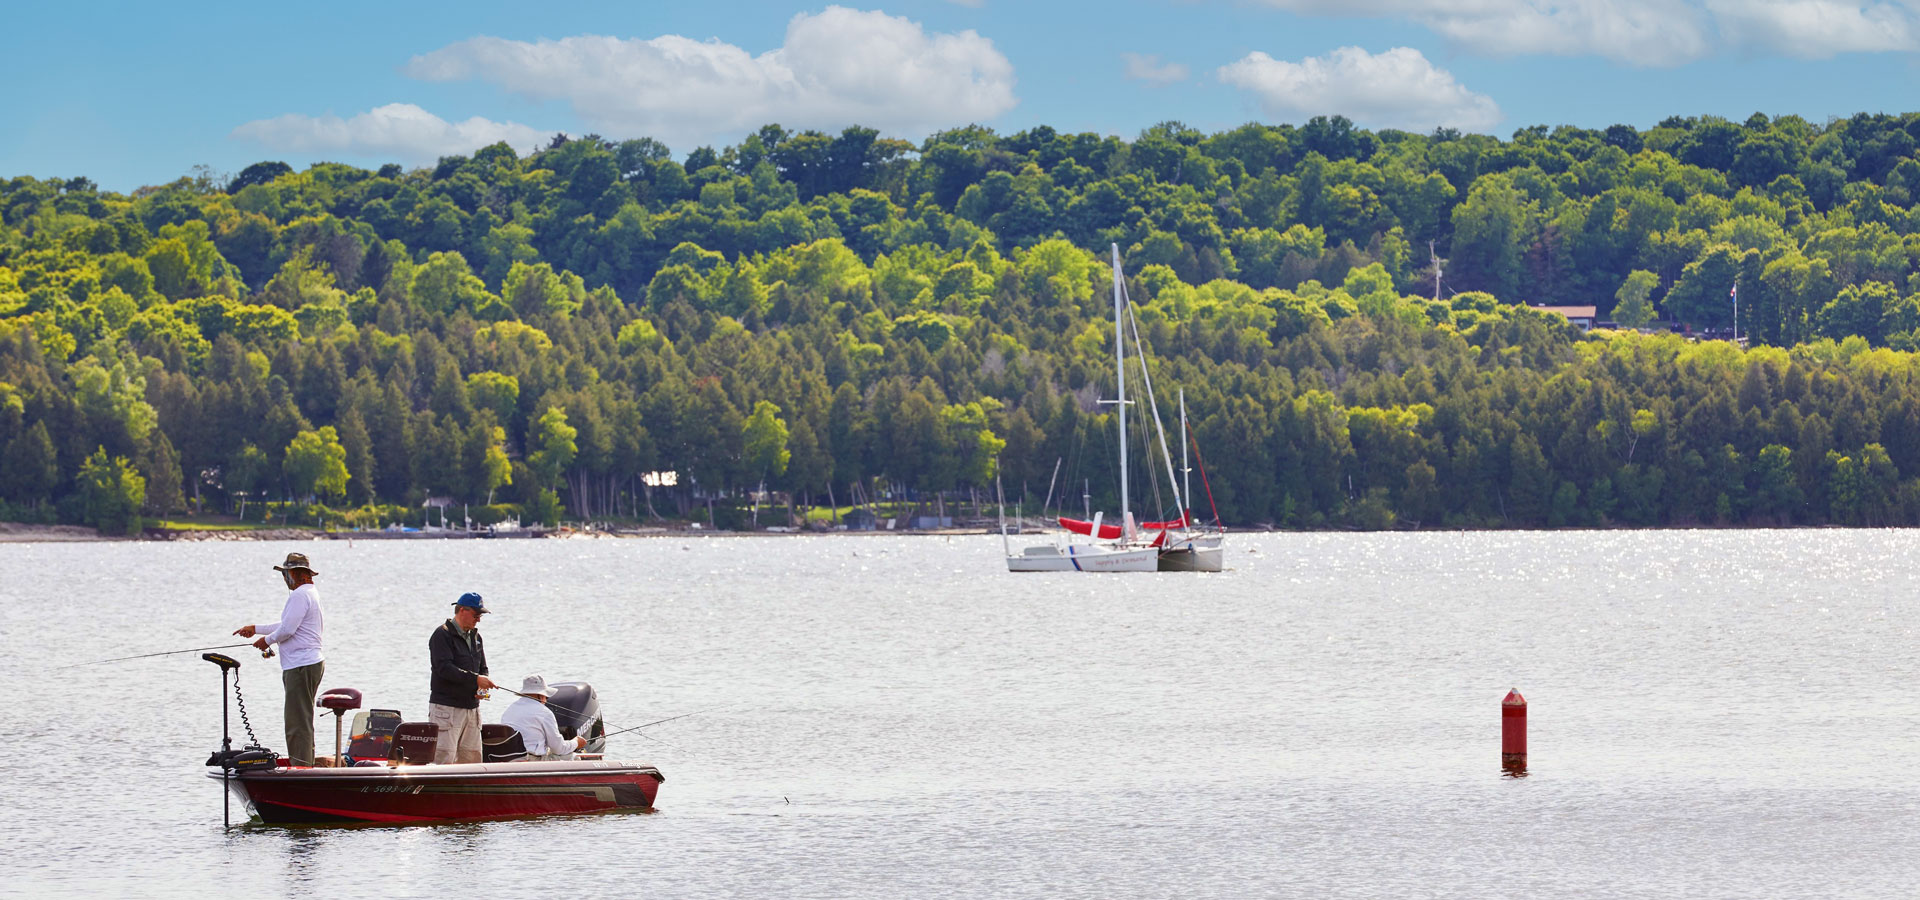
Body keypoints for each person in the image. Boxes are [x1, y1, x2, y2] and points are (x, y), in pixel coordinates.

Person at [232, 552, 325, 766]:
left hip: (301, 666)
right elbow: (285, 624)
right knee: (302, 719)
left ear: (297, 574)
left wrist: (267, 641)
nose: (285, 579)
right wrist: (256, 630)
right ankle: (305, 765)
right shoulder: (309, 593)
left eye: (286, 574)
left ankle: (301, 768)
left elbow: (288, 630)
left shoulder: (300, 595)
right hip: (307, 664)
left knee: (296, 722)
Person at [428, 592, 495, 764]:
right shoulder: (441, 635)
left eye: (480, 615)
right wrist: (475, 680)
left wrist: (482, 687)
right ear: (462, 610)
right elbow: (444, 669)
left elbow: (483, 669)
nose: (478, 619)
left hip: (472, 710)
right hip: (446, 709)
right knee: (443, 761)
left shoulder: (476, 637)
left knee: (472, 761)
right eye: (476, 615)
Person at [500, 675, 587, 761]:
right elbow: (559, 749)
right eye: (546, 697)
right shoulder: (544, 713)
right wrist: (576, 742)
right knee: (575, 757)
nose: (546, 700)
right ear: (541, 696)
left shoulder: (509, 710)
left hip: (510, 759)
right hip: (532, 761)